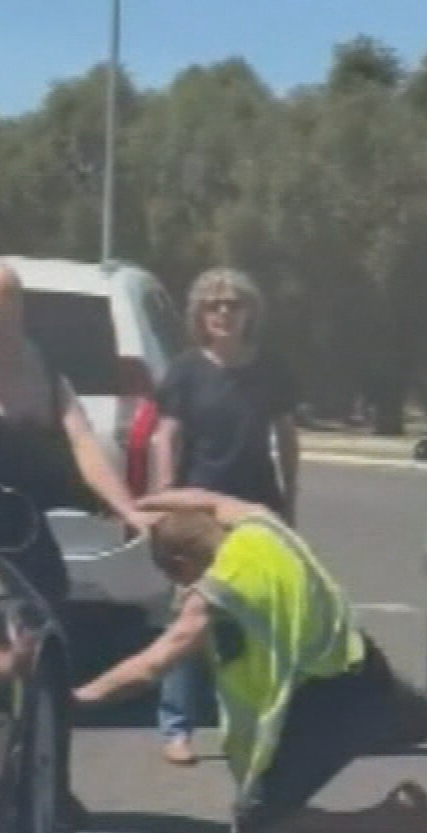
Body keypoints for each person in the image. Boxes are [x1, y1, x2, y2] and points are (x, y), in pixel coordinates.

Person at [71, 489, 427, 833]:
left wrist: (76, 698)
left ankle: (391, 825)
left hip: (315, 707)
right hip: (362, 665)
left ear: (182, 568)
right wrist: (141, 501)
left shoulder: (213, 594)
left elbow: (154, 664)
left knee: (259, 832)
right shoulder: (264, 526)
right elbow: (207, 498)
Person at [0, 260, 153, 830]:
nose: (4, 333)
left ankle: (51, 787)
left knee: (44, 660)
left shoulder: (40, 370)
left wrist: (127, 507)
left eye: (14, 319)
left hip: (21, 539)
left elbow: (83, 444)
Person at [148, 267, 301, 767]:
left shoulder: (271, 371)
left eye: (233, 304)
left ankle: (255, 722)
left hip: (256, 507)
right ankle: (177, 728)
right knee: (189, 617)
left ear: (250, 313)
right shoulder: (186, 371)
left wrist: (290, 499)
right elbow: (166, 436)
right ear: (199, 315)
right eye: (213, 306)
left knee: (255, 619)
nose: (223, 313)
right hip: (197, 509)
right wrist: (166, 497)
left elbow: (286, 437)